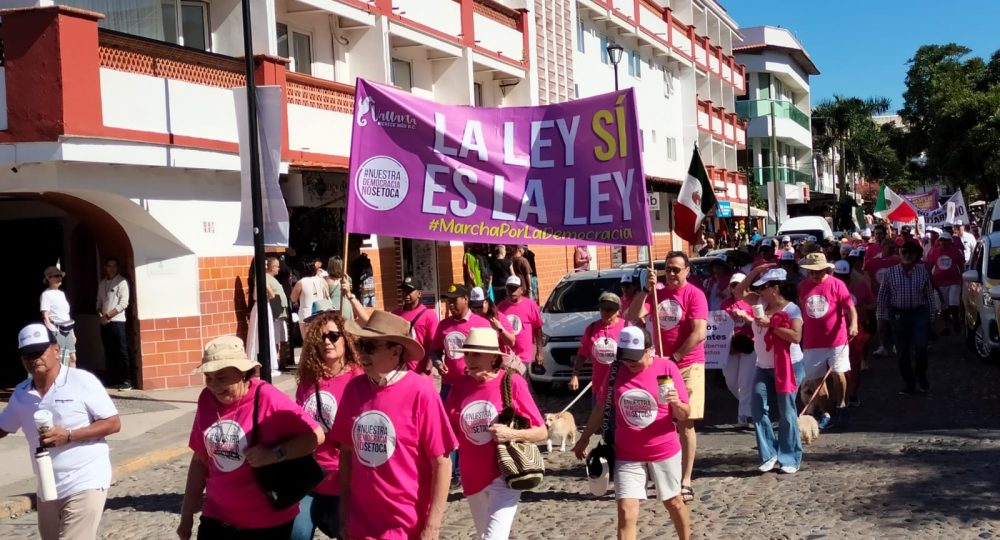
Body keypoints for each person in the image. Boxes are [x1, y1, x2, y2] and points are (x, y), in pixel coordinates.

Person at [178, 336, 323, 539]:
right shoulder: (206, 400)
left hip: (266, 524)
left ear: (243, 374)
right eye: (208, 378)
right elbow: (200, 460)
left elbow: (315, 437)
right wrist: (186, 516)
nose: (213, 386)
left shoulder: (267, 398)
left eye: (221, 377)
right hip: (216, 517)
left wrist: (274, 454)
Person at [334, 312, 458, 539]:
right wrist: (344, 512)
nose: (362, 354)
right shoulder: (354, 390)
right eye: (361, 345)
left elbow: (442, 462)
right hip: (361, 525)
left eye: (371, 347)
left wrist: (433, 524)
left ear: (396, 351)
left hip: (406, 526)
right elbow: (346, 453)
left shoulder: (421, 393)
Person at [0, 324, 121, 540]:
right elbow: (2, 428)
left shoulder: (81, 381)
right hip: (47, 484)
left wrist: (70, 435)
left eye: (38, 352)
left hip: (86, 478)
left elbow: (113, 423)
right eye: (27, 354)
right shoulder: (21, 394)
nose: (33, 358)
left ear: (56, 350)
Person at [573, 327, 691, 540]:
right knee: (626, 511)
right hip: (627, 453)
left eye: (635, 357)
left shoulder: (666, 368)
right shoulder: (616, 370)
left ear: (651, 350)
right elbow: (600, 408)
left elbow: (685, 414)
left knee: (672, 502)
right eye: (626, 357)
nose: (630, 362)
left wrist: (676, 403)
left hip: (663, 450)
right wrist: (584, 438)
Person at [444, 328, 546, 540]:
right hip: (472, 475)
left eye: (476, 354)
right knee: (484, 534)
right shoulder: (460, 386)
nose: (469, 359)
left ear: (493, 357)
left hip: (505, 473)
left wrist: (510, 434)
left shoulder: (511, 382)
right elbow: (447, 430)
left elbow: (542, 432)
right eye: (467, 353)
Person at [626, 251, 708, 503]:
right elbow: (632, 318)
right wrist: (644, 290)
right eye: (668, 269)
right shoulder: (656, 294)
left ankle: (685, 479)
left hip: (687, 365)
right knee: (658, 417)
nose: (671, 274)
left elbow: (699, 333)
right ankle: (656, 471)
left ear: (686, 271)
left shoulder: (695, 295)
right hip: (661, 366)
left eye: (676, 269)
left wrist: (675, 357)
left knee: (685, 420)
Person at [291, 311, 363, 540]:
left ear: (346, 338)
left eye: (333, 336)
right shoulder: (308, 381)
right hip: (311, 477)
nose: (327, 342)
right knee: (297, 533)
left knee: (347, 533)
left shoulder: (359, 379)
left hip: (347, 478)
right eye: (321, 337)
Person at [733, 268, 805, 473]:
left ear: (775, 288)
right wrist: (754, 271)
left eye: (764, 287)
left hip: (789, 366)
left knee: (786, 411)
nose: (760, 291)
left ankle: (790, 457)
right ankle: (769, 454)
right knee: (757, 408)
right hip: (763, 366)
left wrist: (770, 324)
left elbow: (796, 337)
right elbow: (738, 292)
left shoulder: (792, 310)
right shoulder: (759, 304)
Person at [797, 252, 858, 431]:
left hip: (836, 339)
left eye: (819, 271)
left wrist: (853, 324)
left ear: (826, 269)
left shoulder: (837, 284)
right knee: (817, 380)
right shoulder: (802, 287)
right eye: (812, 272)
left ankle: (841, 406)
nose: (815, 275)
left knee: (839, 374)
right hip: (812, 341)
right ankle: (826, 413)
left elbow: (850, 308)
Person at [876, 241, 938, 394]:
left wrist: (931, 315)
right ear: (900, 253)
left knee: (921, 347)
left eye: (911, 253)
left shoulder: (922, 272)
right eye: (904, 252)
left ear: (917, 255)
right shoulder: (890, 273)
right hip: (898, 314)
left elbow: (929, 295)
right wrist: (881, 318)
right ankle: (909, 382)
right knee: (902, 351)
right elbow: (883, 297)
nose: (908, 255)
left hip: (919, 313)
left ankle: (921, 375)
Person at [834, 261, 874, 407]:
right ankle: (839, 396)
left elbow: (872, 303)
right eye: (838, 276)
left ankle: (852, 395)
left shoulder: (861, 286)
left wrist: (862, 310)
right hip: (833, 332)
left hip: (854, 331)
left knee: (854, 364)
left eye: (844, 277)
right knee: (837, 366)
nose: (841, 280)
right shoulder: (829, 287)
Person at [569, 292, 626, 393]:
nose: (606, 312)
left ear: (618, 311)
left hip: (621, 385)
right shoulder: (591, 329)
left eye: (610, 309)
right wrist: (575, 375)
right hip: (599, 387)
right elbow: (582, 354)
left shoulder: (626, 327)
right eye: (603, 308)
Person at [721, 273, 756, 425]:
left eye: (738, 284)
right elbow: (720, 326)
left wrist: (746, 317)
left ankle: (744, 416)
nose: (735, 288)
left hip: (749, 345)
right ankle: (750, 405)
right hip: (730, 348)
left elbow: (759, 325)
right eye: (733, 285)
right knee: (731, 382)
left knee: (745, 382)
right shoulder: (725, 304)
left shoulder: (753, 302)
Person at [97, 257, 132, 390]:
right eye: (109, 266)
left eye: (114, 266)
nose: (111, 269)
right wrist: (100, 314)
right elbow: (98, 302)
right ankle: (114, 379)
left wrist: (108, 315)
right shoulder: (102, 283)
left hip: (117, 321)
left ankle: (127, 380)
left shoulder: (122, 282)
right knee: (110, 352)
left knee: (122, 351)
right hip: (104, 322)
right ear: (105, 267)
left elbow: (124, 303)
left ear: (117, 268)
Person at [392, 277, 439, 374]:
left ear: (419, 293)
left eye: (410, 290)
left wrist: (427, 371)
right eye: (404, 290)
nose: (406, 294)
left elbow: (434, 346)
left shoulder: (429, 315)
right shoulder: (395, 314)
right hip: (398, 372)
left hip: (419, 372)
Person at [497, 276, 544, 370]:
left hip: (524, 356)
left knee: (522, 381)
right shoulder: (500, 307)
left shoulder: (530, 305)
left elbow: (537, 329)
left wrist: (539, 352)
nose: (512, 292)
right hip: (507, 356)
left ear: (521, 290)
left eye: (515, 288)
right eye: (509, 288)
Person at [926, 231, 965, 334]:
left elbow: (961, 265)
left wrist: (962, 279)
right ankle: (946, 325)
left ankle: (956, 319)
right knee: (943, 307)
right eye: (941, 240)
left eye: (945, 240)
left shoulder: (956, 251)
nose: (943, 242)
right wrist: (929, 280)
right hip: (939, 283)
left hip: (954, 282)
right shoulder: (934, 251)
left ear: (950, 241)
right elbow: (929, 266)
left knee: (953, 304)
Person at [41, 266, 76, 368]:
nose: (59, 278)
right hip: (57, 329)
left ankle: (72, 381)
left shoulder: (61, 294)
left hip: (68, 329)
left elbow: (66, 314)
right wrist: (54, 331)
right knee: (60, 358)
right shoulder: (46, 295)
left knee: (72, 357)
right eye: (56, 276)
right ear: (49, 278)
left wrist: (72, 333)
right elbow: (45, 316)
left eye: (60, 276)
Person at [264, 256, 292, 370]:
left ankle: (282, 362)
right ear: (271, 267)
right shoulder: (266, 278)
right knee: (275, 340)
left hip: (281, 314)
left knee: (283, 338)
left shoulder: (273, 278)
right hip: (275, 314)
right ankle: (275, 362)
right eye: (277, 266)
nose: (278, 269)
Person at [291, 259, 330, 339]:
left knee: (307, 342)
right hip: (320, 313)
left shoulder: (301, 282)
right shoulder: (323, 281)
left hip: (306, 314)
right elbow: (327, 296)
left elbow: (293, 298)